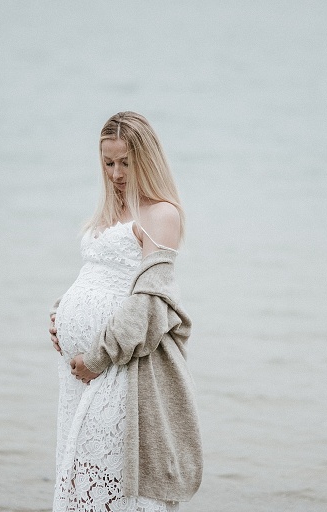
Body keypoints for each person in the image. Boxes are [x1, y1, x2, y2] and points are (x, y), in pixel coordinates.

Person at [48, 112, 202, 511]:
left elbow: (151, 302)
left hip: (119, 369)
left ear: (146, 159)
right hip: (79, 376)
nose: (116, 173)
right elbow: (97, 276)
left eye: (126, 163)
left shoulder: (161, 214)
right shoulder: (108, 214)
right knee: (81, 477)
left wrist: (96, 358)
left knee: (115, 482)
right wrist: (61, 316)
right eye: (108, 163)